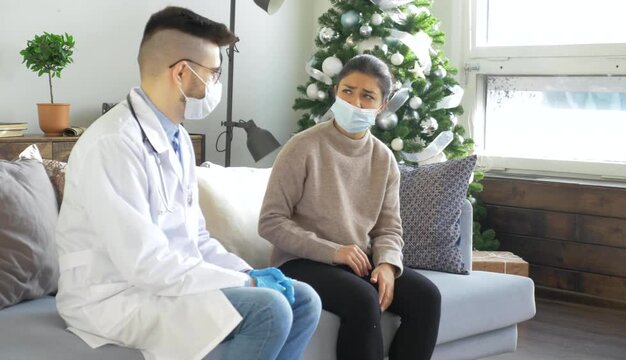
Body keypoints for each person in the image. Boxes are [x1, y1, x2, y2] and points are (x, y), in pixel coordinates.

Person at [55, 7, 321, 360]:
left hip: (164, 279)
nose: (216, 84)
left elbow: (195, 240)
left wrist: (249, 271)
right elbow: (145, 264)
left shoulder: (177, 137)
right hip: (112, 294)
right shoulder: (113, 144)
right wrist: (250, 285)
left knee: (305, 300)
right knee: (269, 310)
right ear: (182, 72)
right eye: (214, 73)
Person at [259, 54, 441, 360]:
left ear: (382, 106)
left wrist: (386, 263)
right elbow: (271, 222)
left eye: (367, 96)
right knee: (362, 299)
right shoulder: (302, 147)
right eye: (347, 91)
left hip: (357, 261)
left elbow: (388, 228)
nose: (355, 101)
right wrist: (333, 251)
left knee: (427, 297)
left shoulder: (384, 159)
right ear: (335, 91)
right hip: (301, 261)